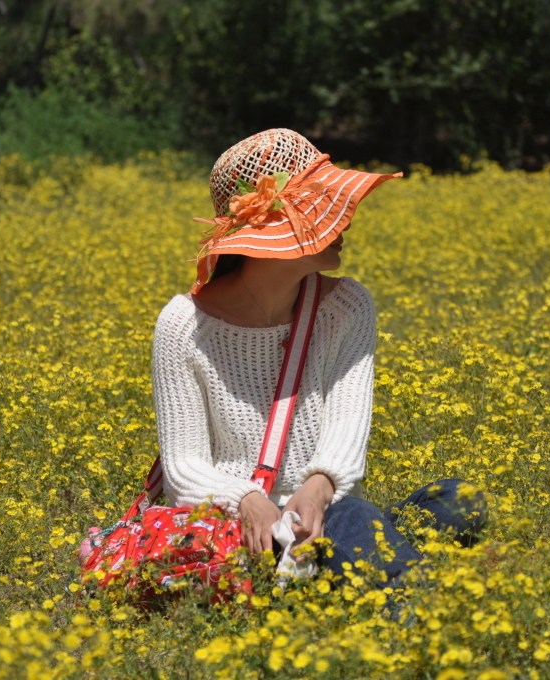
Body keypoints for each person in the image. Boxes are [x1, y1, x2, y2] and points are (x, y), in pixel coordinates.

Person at [152, 128, 487, 588]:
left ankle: (348, 557)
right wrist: (249, 500)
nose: (345, 221)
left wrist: (316, 490)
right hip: (242, 525)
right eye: (323, 210)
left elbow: (346, 434)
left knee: (458, 499)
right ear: (274, 233)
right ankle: (410, 598)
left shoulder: (347, 307)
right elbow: (183, 468)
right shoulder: (182, 326)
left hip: (327, 506)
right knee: (359, 526)